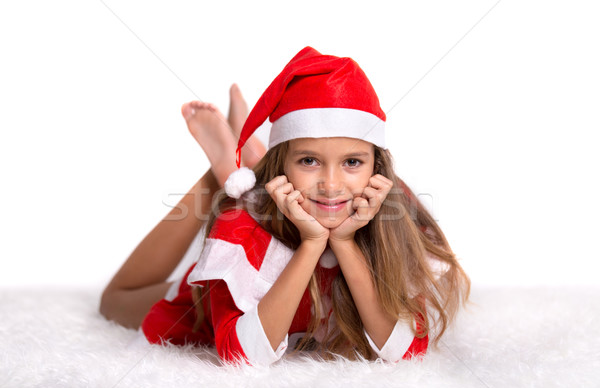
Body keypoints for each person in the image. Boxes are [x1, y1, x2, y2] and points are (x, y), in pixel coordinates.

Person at [100, 46, 470, 366]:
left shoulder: (392, 218)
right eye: (308, 160)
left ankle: (247, 158)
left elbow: (405, 351)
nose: (331, 184)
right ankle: (223, 173)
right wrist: (311, 245)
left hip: (289, 189)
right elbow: (240, 357)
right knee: (113, 301)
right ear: (283, 168)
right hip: (203, 302)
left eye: (352, 162)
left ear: (376, 167)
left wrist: (343, 242)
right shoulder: (244, 226)